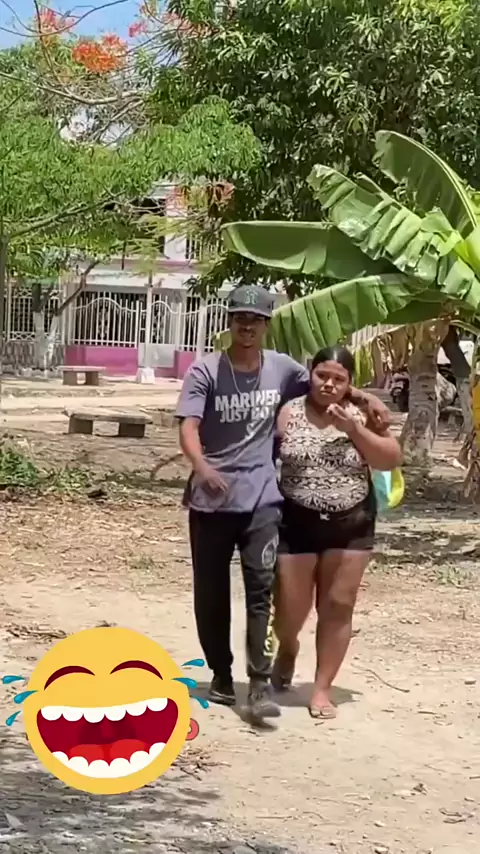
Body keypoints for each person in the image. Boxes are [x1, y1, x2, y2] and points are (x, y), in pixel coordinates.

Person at [175, 285, 391, 720]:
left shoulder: (282, 368)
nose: (247, 326)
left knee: (261, 592)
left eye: (255, 320)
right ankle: (221, 674)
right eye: (240, 318)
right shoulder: (206, 371)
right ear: (230, 321)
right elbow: (188, 426)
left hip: (263, 503)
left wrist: (365, 398)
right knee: (211, 593)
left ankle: (259, 683)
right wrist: (201, 467)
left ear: (266, 325)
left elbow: (329, 383)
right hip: (212, 502)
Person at [272, 345, 402, 719]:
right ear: (310, 375)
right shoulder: (288, 410)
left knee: (338, 606)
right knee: (290, 608)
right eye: (322, 376)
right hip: (296, 522)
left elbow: (390, 458)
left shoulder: (363, 414)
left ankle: (322, 689)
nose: (329, 384)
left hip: (352, 523)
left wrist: (354, 428)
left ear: (349, 383)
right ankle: (288, 646)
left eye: (339, 379)